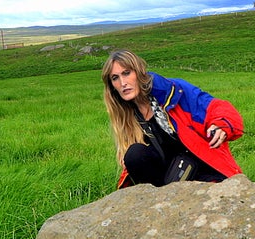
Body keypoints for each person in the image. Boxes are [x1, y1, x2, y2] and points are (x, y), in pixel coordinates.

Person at [101, 50, 244, 189]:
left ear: (139, 72)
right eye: (115, 78)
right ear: (112, 86)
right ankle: (157, 203)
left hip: (202, 168)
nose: (123, 83)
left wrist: (222, 125)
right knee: (134, 154)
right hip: (168, 180)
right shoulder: (126, 115)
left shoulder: (174, 91)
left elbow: (216, 107)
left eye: (127, 73)